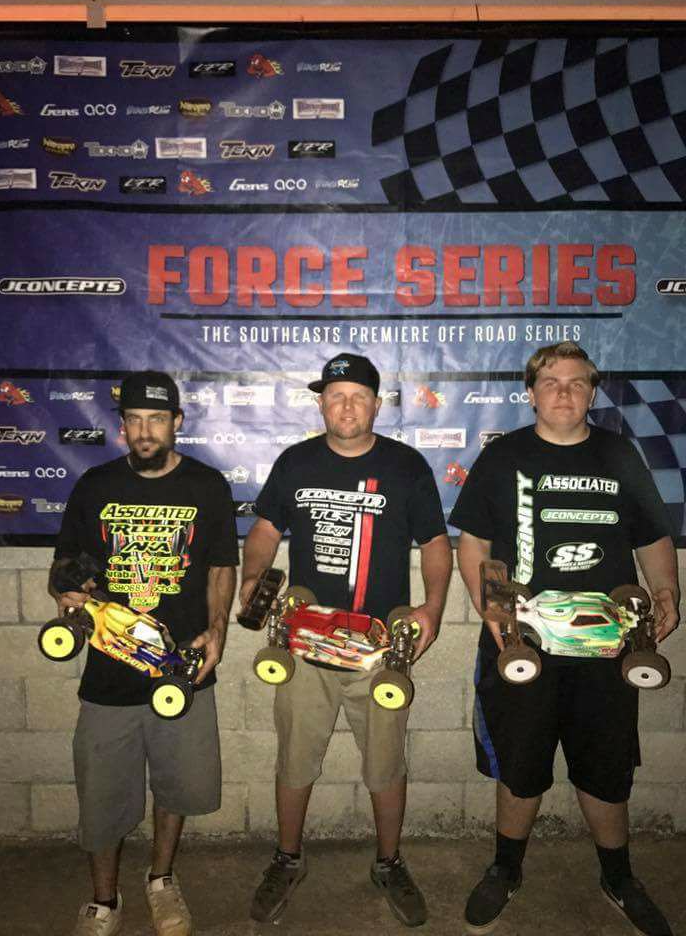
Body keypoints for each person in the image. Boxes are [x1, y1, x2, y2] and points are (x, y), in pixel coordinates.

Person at [449, 342, 680, 936]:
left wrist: (667, 593)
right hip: (523, 644)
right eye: (550, 382)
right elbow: (472, 543)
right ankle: (505, 869)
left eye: (577, 383)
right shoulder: (503, 457)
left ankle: (619, 877)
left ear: (592, 393)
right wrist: (491, 611)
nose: (563, 392)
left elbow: (652, 536)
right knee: (520, 765)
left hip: (605, 647)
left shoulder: (619, 454)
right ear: (530, 392)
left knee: (605, 767)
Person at [240, 352, 452, 927]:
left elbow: (436, 543)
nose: (347, 406)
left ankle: (389, 863)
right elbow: (265, 529)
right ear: (321, 403)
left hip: (379, 650)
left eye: (358, 396)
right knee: (294, 761)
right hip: (306, 646)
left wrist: (432, 609)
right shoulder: (296, 461)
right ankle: (287, 859)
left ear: (377, 405)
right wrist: (253, 576)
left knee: (385, 767)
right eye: (336, 396)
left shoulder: (406, 466)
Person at [47, 371, 238, 936]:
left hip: (180, 665)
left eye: (157, 419)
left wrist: (218, 631)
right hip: (109, 671)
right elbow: (64, 566)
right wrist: (67, 592)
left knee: (176, 785)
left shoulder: (207, 485)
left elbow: (221, 567)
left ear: (177, 422)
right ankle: (103, 899)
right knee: (101, 793)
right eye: (134, 419)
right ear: (122, 426)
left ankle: (161, 880)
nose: (145, 430)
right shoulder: (95, 485)